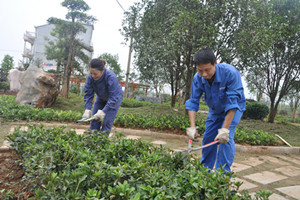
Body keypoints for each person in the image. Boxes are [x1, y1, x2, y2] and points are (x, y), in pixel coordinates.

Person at [185, 48, 246, 172]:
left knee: (224, 139)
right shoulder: (198, 78)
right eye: (200, 70)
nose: (204, 74)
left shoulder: (230, 73)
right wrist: (192, 127)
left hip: (234, 109)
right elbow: (193, 102)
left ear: (215, 63)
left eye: (207, 70)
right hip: (215, 110)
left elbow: (232, 103)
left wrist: (224, 129)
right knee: (208, 138)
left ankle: (222, 177)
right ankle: (205, 172)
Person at [82, 58, 123, 133]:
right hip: (101, 98)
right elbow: (88, 93)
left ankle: (103, 142)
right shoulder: (90, 77)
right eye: (91, 73)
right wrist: (87, 109)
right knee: (94, 120)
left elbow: (113, 97)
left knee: (107, 123)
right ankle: (93, 141)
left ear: (103, 70)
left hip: (114, 99)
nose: (93, 76)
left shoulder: (111, 77)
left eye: (95, 74)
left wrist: (103, 111)